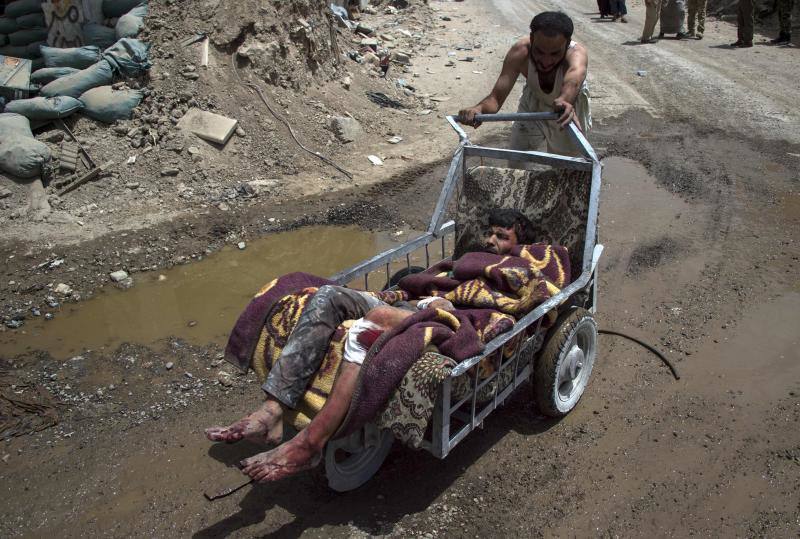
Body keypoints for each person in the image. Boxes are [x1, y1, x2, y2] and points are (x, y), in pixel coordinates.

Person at [206, 209, 535, 483]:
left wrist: (448, 306)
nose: (491, 241)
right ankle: (273, 409)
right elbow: (430, 278)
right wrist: (425, 289)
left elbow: (511, 304)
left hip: (444, 317)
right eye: (490, 234)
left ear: (521, 245)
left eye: (502, 236)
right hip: (416, 302)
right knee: (327, 296)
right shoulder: (470, 260)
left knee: (374, 321)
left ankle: (311, 442)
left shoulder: (518, 269)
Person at [457, 12, 590, 158]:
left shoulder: (577, 54)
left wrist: (565, 100)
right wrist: (478, 109)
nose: (546, 61)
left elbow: (573, 81)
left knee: (569, 168)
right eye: (539, 52)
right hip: (533, 101)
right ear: (532, 39)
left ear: (567, 43)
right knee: (517, 158)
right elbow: (495, 99)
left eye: (554, 54)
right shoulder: (520, 52)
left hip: (565, 111)